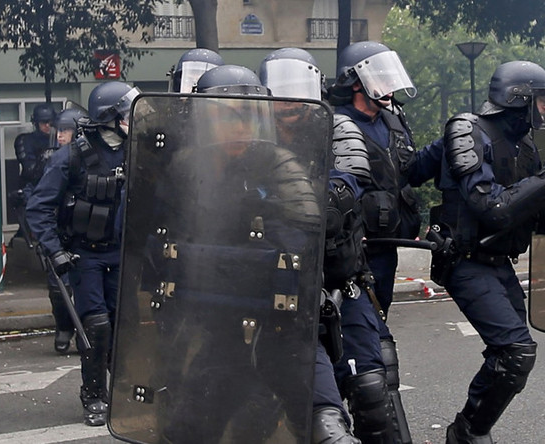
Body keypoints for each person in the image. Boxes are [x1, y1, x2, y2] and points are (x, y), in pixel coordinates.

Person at [143, 64, 358, 443]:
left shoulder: (277, 164)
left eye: (246, 118)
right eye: (226, 119)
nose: (238, 130)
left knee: (325, 423)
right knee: (185, 428)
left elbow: (303, 242)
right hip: (219, 319)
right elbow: (159, 235)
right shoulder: (186, 168)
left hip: (280, 322)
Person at [432, 61, 545, 444]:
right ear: (520, 100)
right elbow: (494, 208)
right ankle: (468, 432)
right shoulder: (470, 132)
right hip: (467, 260)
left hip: (499, 262)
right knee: (515, 351)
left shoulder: (525, 145)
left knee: (515, 358)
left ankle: (471, 429)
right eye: (542, 100)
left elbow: (529, 206)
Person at [261, 47, 400, 444]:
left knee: (372, 387)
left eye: (296, 93)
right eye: (280, 94)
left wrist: (290, 199)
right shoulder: (253, 135)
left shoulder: (337, 128)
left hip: (341, 278)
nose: (289, 104)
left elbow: (346, 186)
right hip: (279, 283)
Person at [325, 40, 443, 443]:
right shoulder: (336, 124)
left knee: (369, 344)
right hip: (353, 253)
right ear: (354, 82)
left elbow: (409, 173)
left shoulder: (393, 121)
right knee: (367, 350)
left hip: (387, 250)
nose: (388, 85)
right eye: (378, 75)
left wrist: (443, 147)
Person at [26, 81, 139, 426]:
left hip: (124, 253)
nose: (133, 120)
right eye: (126, 114)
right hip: (85, 255)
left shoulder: (139, 151)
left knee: (125, 326)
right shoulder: (72, 155)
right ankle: (94, 396)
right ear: (109, 117)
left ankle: (125, 390)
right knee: (97, 325)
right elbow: (38, 208)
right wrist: (56, 252)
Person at [12, 102, 76, 353]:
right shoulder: (46, 153)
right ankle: (64, 327)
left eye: (63, 130)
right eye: (52, 128)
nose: (56, 133)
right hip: (54, 226)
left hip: (82, 226)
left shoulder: (86, 156)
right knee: (57, 287)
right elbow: (34, 192)